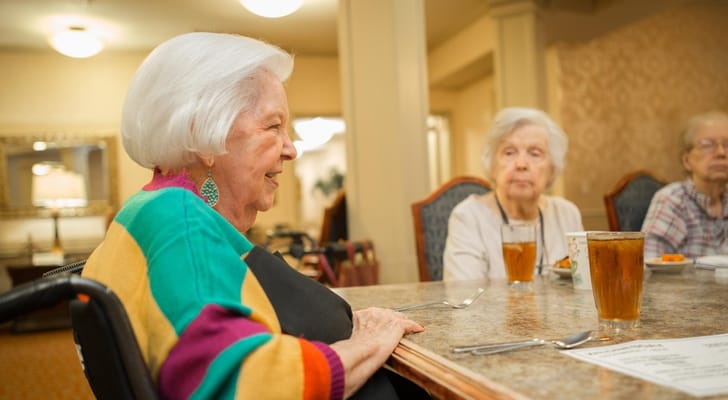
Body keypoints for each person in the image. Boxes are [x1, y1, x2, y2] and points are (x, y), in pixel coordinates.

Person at [81, 32, 425, 399]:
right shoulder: (177, 219)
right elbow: (250, 384)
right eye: (274, 126)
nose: (291, 149)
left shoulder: (146, 212)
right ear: (203, 134)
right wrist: (369, 344)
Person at [443, 107, 584, 280]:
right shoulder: (468, 217)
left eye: (535, 153)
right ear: (492, 165)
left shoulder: (567, 213)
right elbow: (462, 296)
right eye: (509, 152)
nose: (521, 164)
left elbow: (582, 288)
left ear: (552, 168)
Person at [642, 111, 728, 258]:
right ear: (686, 160)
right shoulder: (673, 200)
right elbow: (649, 266)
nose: (721, 152)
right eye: (708, 145)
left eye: (727, 145)